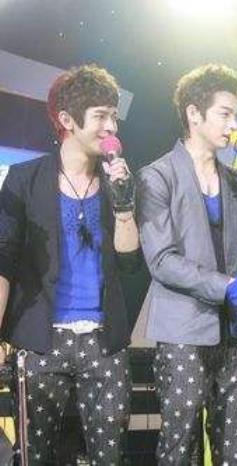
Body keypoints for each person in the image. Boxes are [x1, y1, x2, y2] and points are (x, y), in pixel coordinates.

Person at [135, 63, 237, 465]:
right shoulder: (157, 176)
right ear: (194, 114)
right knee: (180, 444)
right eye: (225, 114)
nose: (234, 125)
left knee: (234, 444)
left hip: (234, 332)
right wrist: (226, 285)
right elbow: (161, 261)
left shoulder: (234, 179)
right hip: (183, 330)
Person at [0, 64, 140, 464]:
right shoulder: (24, 179)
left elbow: (130, 262)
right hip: (41, 341)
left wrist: (124, 207)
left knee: (109, 455)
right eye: (100, 116)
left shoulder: (117, 181)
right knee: (35, 455)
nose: (111, 127)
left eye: (114, 116)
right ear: (66, 120)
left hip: (104, 341)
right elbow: (3, 261)